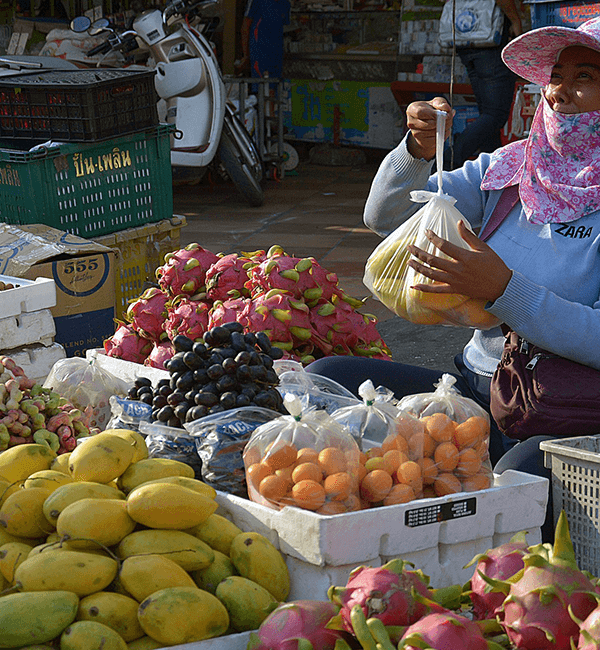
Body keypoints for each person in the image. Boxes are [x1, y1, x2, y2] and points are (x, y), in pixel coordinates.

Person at [306, 16, 600, 542]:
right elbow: (387, 216)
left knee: (517, 484)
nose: (560, 92)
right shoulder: (512, 170)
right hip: (473, 392)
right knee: (325, 381)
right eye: (556, 75)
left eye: (586, 76)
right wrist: (416, 152)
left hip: (564, 413)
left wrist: (504, 290)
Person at [444, 0, 522, 169]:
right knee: (495, 114)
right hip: (490, 44)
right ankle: (449, 160)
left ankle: (493, 169)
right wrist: (515, 20)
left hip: (468, 41)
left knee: (488, 114)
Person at [237, 0, 291, 83]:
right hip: (258, 52)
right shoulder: (256, 1)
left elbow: (283, 27)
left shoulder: (285, 3)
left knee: (275, 85)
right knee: (259, 87)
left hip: (277, 54)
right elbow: (245, 27)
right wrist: (246, 55)